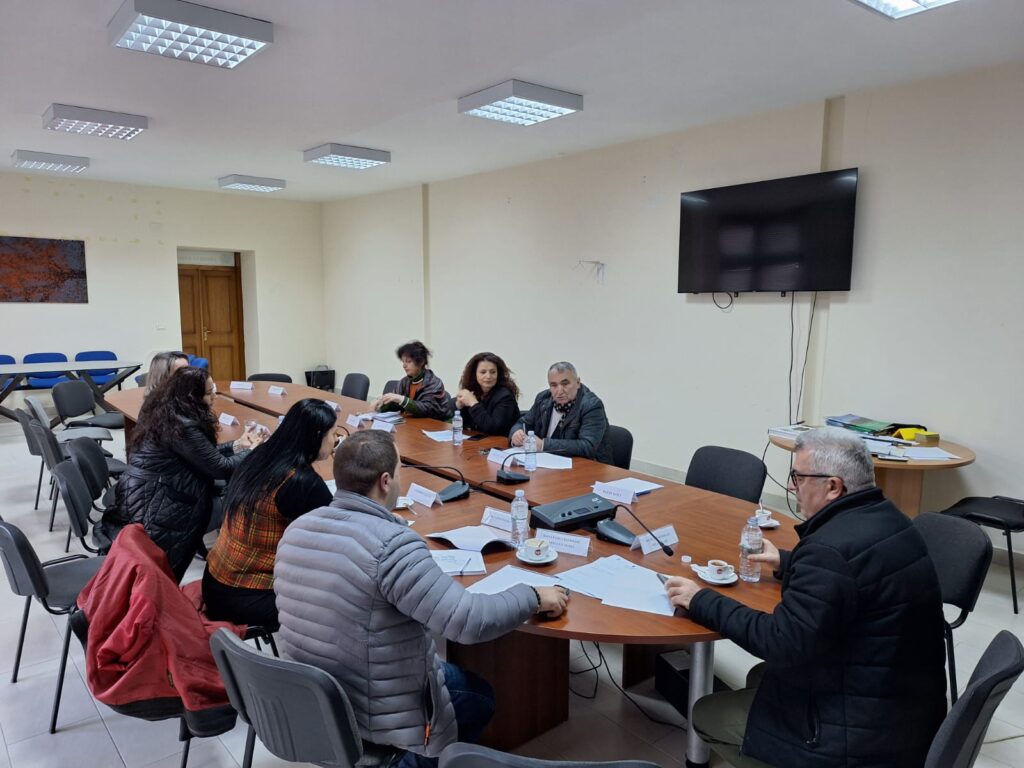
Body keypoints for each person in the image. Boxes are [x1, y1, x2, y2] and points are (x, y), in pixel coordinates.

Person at [274, 430, 569, 766]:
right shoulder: (393, 547)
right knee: (481, 698)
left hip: (319, 697)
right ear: (386, 481)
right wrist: (533, 596)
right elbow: (467, 622)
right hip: (378, 709)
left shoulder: (297, 528)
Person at [663, 427, 946, 768]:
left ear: (833, 486)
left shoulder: (829, 551)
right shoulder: (889, 517)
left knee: (708, 713)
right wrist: (786, 562)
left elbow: (779, 642)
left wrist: (700, 600)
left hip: (859, 738)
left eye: (798, 477)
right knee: (761, 678)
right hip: (906, 706)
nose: (791, 487)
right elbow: (856, 575)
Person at [97, 366, 267, 582]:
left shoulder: (168, 412)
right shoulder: (182, 425)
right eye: (209, 393)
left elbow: (200, 454)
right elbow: (220, 468)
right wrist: (254, 449)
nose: (214, 397)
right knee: (158, 574)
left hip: (147, 490)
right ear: (192, 397)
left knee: (157, 573)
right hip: (157, 502)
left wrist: (238, 445)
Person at [202, 398, 340, 627]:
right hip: (243, 595)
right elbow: (339, 530)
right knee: (337, 598)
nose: (336, 441)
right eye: (334, 434)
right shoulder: (301, 481)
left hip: (214, 580)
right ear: (317, 435)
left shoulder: (261, 456)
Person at [509, 361, 613, 463]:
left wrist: (543, 445)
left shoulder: (591, 405)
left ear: (578, 383)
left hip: (588, 466)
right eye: (554, 385)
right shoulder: (543, 399)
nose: (560, 391)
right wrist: (516, 433)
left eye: (565, 384)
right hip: (546, 462)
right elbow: (522, 423)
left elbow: (587, 446)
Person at [370, 340, 454, 420]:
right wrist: (381, 403)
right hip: (414, 423)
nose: (404, 366)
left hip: (437, 425)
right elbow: (395, 404)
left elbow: (427, 409)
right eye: (403, 362)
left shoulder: (434, 383)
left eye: (408, 361)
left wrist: (401, 399)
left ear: (421, 362)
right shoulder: (404, 382)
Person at [453, 352, 521, 436]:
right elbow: (464, 424)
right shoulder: (473, 390)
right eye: (483, 372)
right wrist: (459, 406)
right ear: (474, 374)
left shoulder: (505, 396)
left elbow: (494, 428)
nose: (488, 376)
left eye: (493, 372)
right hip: (479, 440)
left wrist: (473, 403)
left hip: (501, 442)